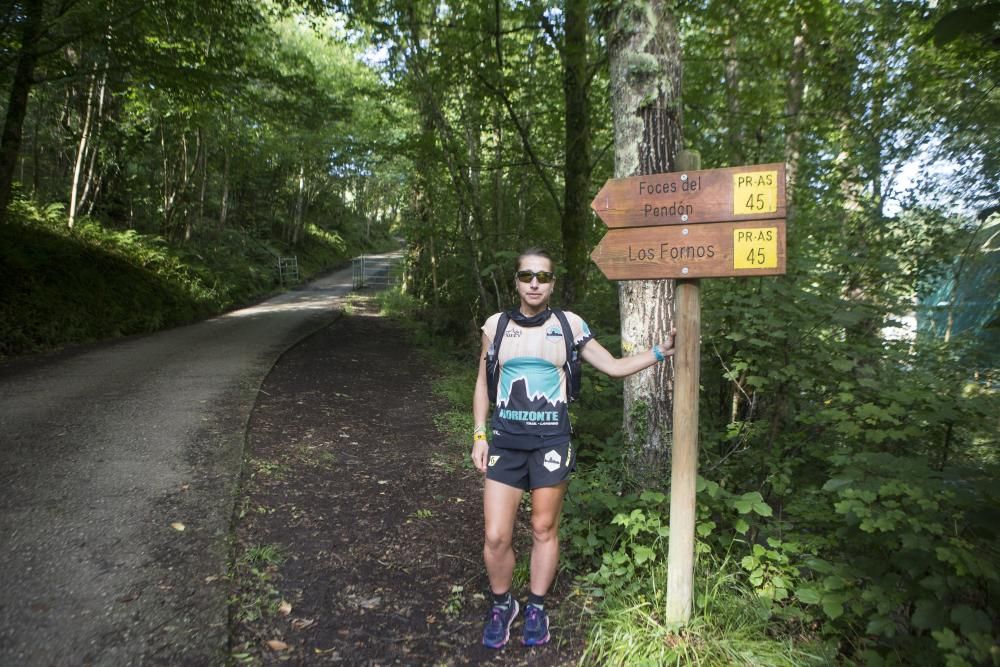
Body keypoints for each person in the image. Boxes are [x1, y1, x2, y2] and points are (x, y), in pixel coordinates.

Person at [472, 248, 676, 649]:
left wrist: (659, 353)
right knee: (496, 535)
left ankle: (536, 606)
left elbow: (614, 366)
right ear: (516, 281)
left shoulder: (569, 325)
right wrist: (479, 434)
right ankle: (502, 605)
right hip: (506, 443)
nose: (534, 283)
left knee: (543, 528)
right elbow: (483, 381)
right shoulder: (495, 326)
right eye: (527, 275)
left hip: (551, 442)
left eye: (543, 277)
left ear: (552, 283)